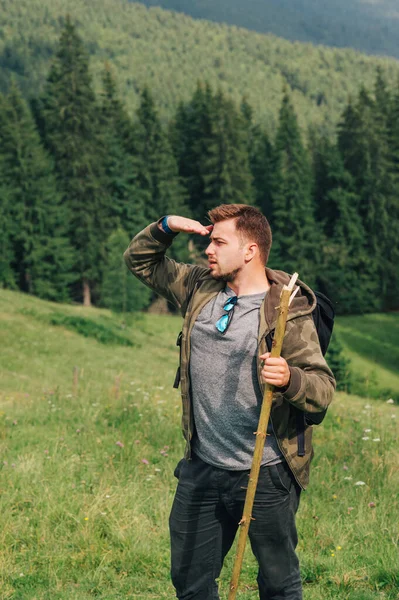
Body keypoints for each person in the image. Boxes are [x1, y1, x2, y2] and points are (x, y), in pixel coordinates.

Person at [124, 204, 335, 600]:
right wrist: (165, 227)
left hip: (266, 472)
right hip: (201, 468)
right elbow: (140, 262)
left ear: (251, 250)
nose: (208, 250)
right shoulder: (200, 287)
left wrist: (290, 378)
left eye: (220, 242)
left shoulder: (287, 310)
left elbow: (323, 387)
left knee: (278, 583)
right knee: (190, 582)